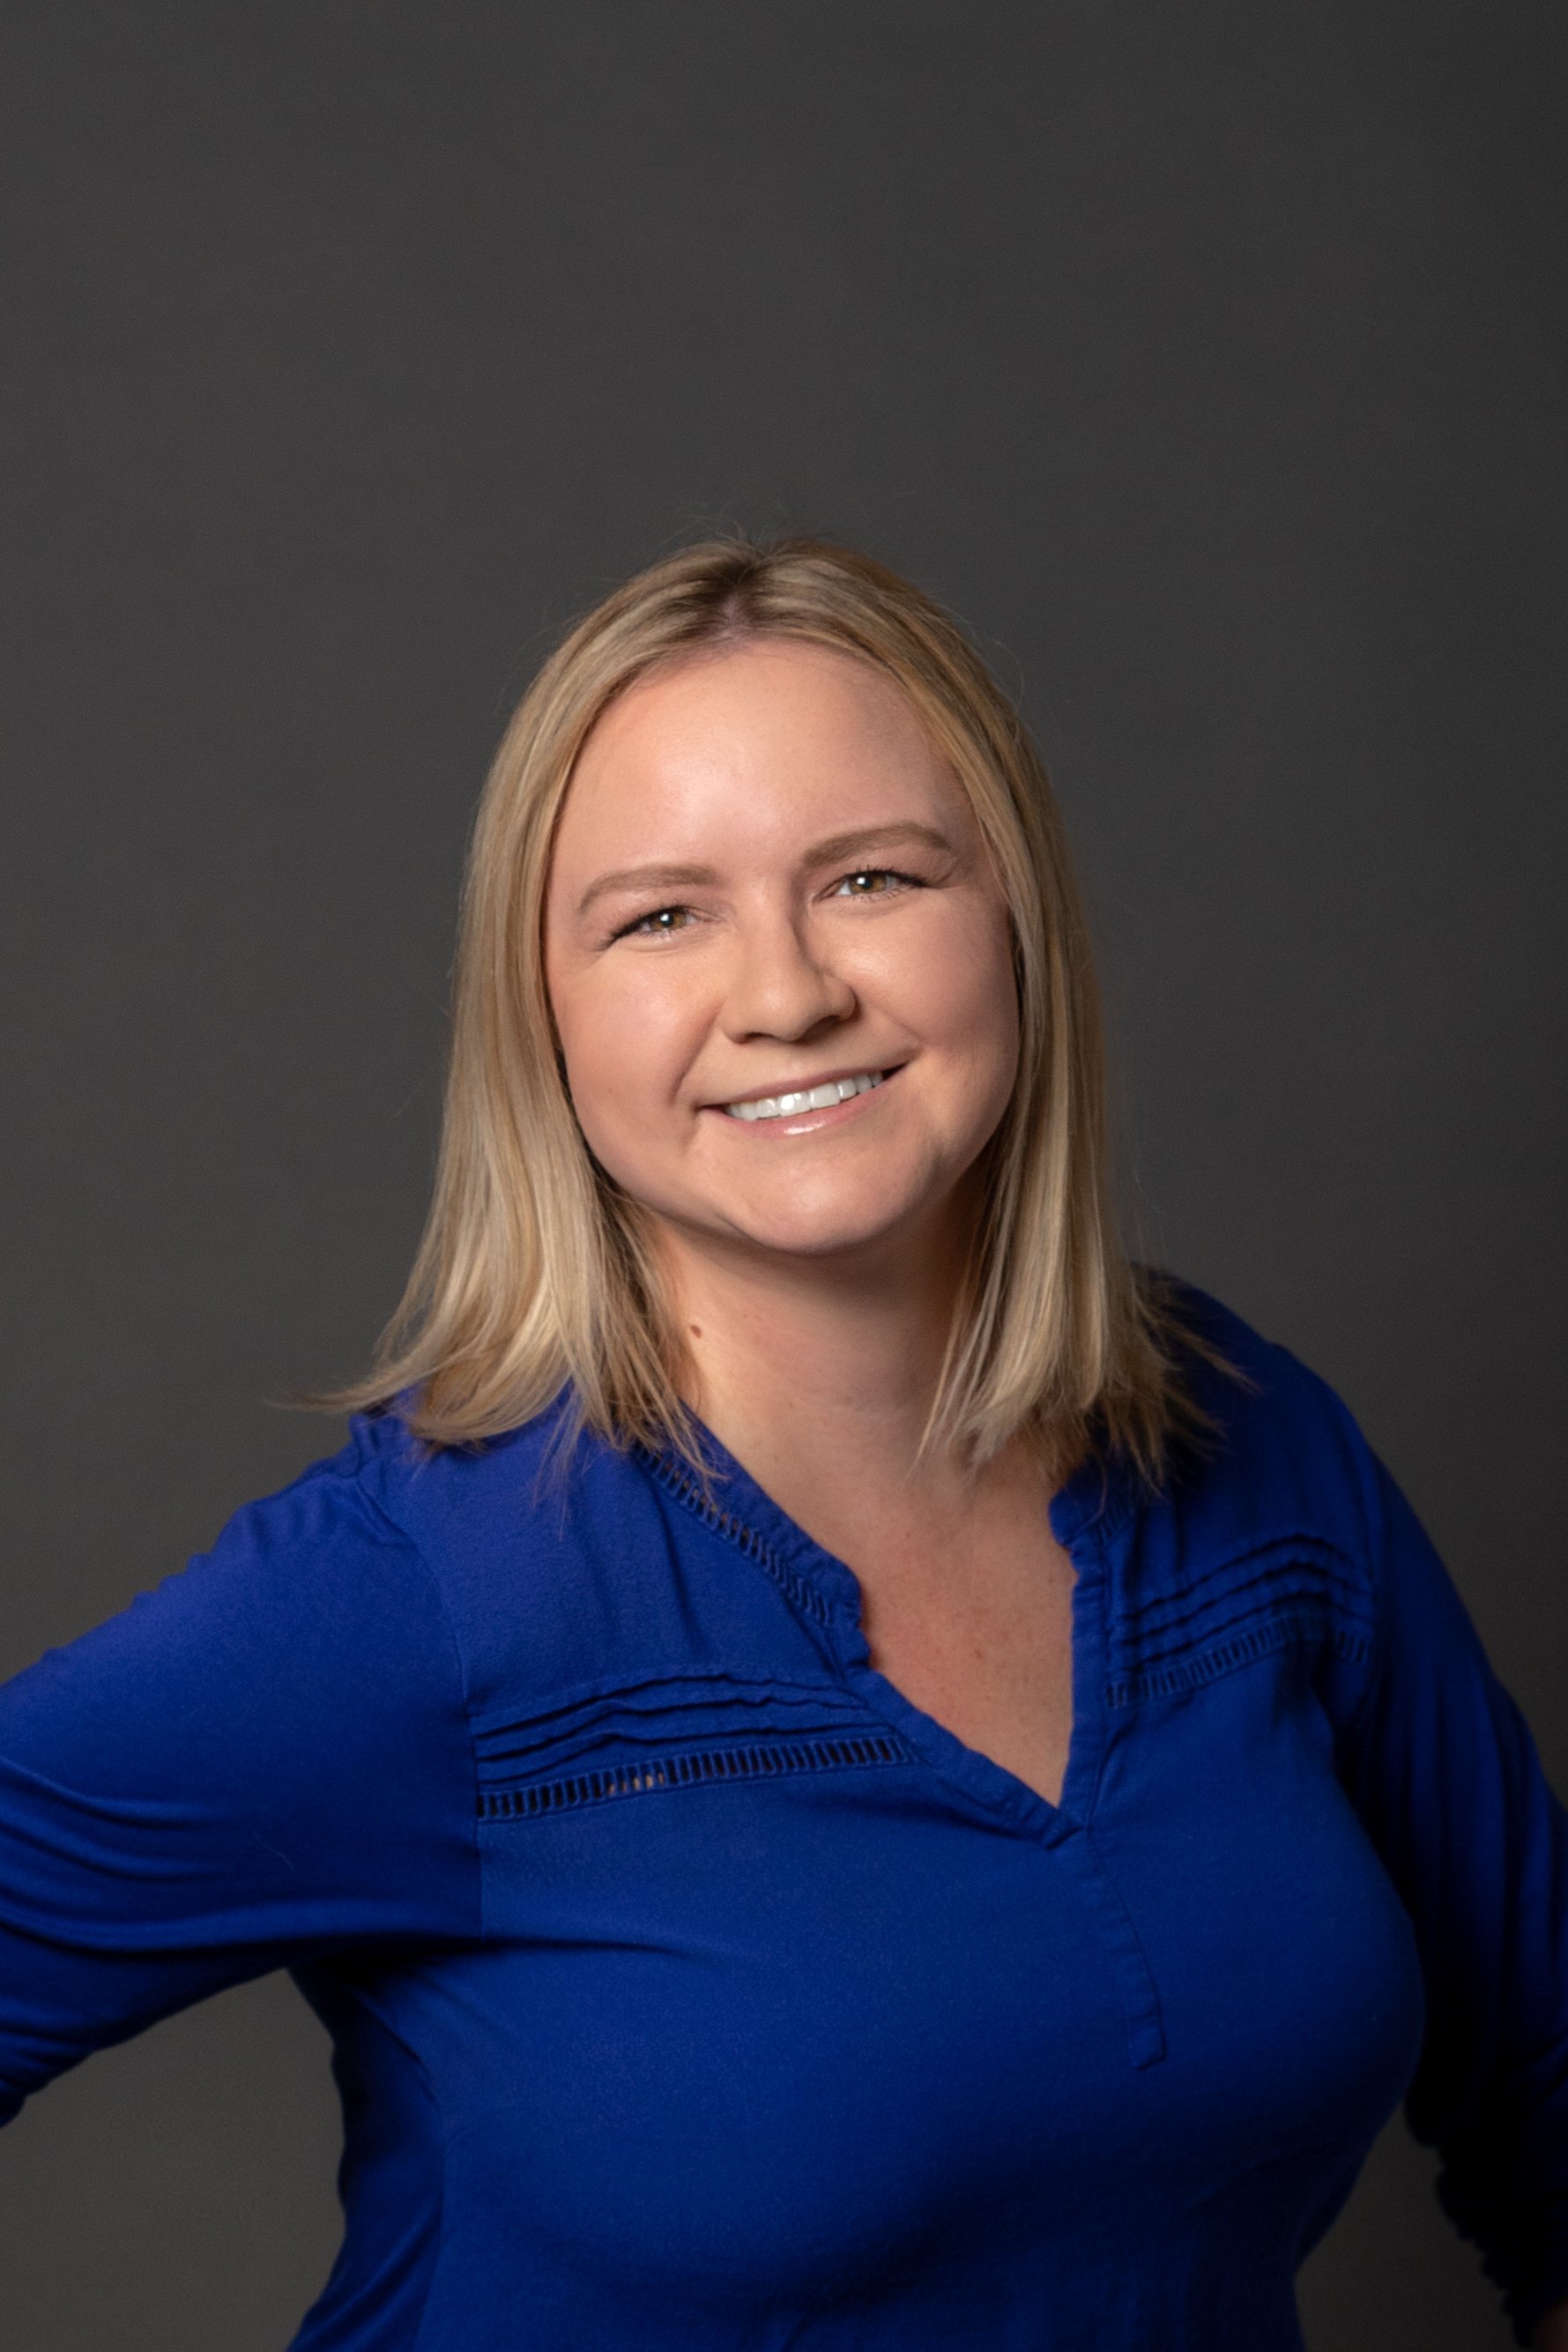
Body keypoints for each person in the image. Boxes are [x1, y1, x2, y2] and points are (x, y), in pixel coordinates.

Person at [1, 536, 1564, 2351]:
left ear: (1013, 918)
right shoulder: (421, 1587)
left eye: (872, 877)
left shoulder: (1245, 1441)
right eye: (658, 914)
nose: (786, 989)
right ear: (543, 1012)